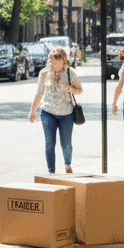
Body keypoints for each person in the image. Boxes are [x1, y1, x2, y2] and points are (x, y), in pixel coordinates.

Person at [29, 46, 83, 174]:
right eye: (51, 61)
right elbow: (39, 93)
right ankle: (51, 172)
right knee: (49, 143)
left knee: (66, 143)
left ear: (63, 61)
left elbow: (80, 90)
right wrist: (32, 111)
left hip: (66, 114)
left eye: (56, 61)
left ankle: (67, 165)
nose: (52, 64)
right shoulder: (44, 73)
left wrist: (72, 89)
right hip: (48, 112)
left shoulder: (70, 73)